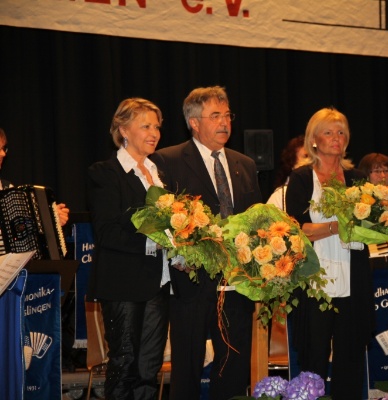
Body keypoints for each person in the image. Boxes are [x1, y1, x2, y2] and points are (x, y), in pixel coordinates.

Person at [151, 86, 262, 400]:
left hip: (238, 282)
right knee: (187, 368)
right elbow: (161, 219)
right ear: (194, 122)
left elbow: (256, 220)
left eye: (227, 115)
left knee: (234, 367)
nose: (225, 122)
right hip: (191, 282)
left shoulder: (244, 164)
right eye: (215, 116)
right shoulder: (168, 160)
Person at [285, 107, 374, 399]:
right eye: (328, 132)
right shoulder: (300, 178)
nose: (336, 138)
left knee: (350, 357)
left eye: (341, 133)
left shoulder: (358, 178)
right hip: (315, 281)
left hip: (353, 278)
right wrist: (337, 226)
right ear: (314, 140)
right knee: (314, 358)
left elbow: (368, 225)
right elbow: (298, 230)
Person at [86, 98, 170, 399]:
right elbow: (107, 232)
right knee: (124, 365)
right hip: (123, 283)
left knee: (149, 370)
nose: (154, 133)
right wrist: (152, 242)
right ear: (123, 130)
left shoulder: (158, 171)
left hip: (159, 282)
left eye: (157, 127)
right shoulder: (105, 172)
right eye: (145, 126)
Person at [0, 127, 69, 225]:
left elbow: (22, 226)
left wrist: (51, 218)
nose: (3, 154)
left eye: (3, 148)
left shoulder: (7, 189)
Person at [266, 134, 309, 210]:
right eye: (306, 156)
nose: (311, 161)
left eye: (314, 156)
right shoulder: (280, 196)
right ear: (292, 162)